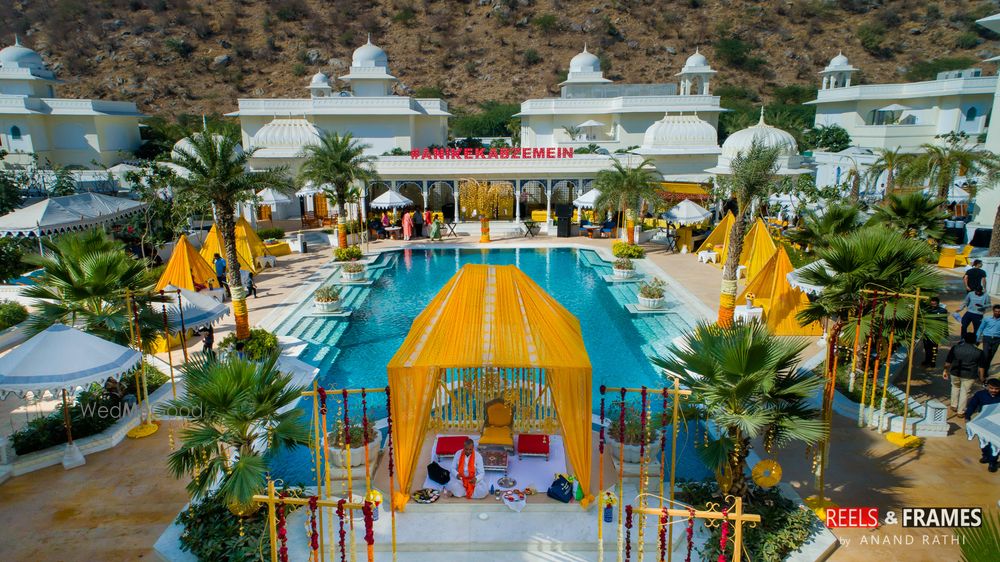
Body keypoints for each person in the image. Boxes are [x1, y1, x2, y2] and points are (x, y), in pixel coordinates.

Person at [943, 333, 986, 415]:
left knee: (955, 387)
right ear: (974, 340)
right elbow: (981, 367)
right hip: (970, 375)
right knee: (965, 392)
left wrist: (945, 370)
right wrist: (981, 377)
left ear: (964, 339)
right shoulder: (979, 352)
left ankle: (953, 405)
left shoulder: (955, 348)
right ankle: (961, 411)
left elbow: (948, 362)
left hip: (955, 372)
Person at [964, 378, 1000, 472]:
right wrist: (967, 416)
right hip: (982, 422)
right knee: (983, 441)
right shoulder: (980, 394)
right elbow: (972, 405)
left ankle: (993, 462)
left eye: (996, 389)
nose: (994, 390)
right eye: (991, 388)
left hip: (997, 423)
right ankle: (986, 455)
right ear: (987, 387)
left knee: (995, 444)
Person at [922, 296, 947, 367]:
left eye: (935, 304)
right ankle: (927, 360)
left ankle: (933, 361)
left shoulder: (942, 311)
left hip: (936, 332)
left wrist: (945, 332)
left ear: (938, 303)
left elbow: (945, 322)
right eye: (932, 304)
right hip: (927, 332)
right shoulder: (926, 310)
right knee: (927, 348)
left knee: (934, 348)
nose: (933, 305)